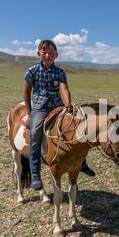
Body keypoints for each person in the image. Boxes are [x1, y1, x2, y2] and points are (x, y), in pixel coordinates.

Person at [23, 40, 96, 191]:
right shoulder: (33, 71)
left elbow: (64, 89)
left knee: (78, 126)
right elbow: (26, 92)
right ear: (39, 54)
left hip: (57, 105)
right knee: (35, 133)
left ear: (56, 55)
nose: (48, 55)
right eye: (44, 52)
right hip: (40, 107)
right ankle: (35, 172)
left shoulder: (60, 72)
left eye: (51, 52)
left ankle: (82, 163)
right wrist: (30, 111)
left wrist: (68, 104)